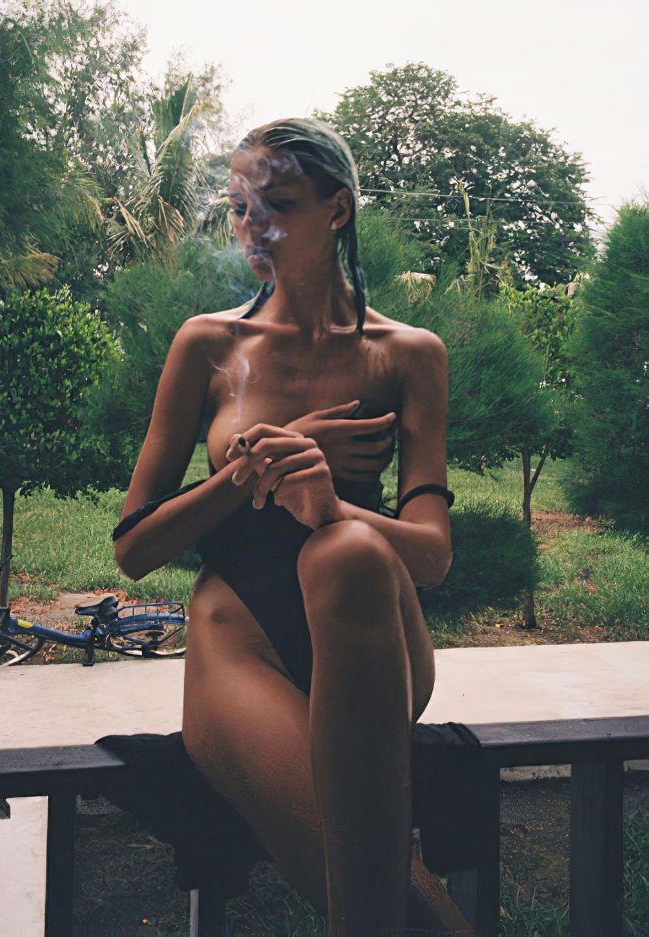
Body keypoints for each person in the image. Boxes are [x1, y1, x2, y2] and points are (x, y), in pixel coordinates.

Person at [114, 118, 465, 937]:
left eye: (277, 204)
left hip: (370, 633)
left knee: (345, 551)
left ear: (337, 210)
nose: (252, 226)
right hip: (241, 637)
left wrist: (332, 504)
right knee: (379, 891)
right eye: (240, 207)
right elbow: (135, 548)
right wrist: (260, 464)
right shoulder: (209, 344)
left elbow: (432, 557)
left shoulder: (408, 354)